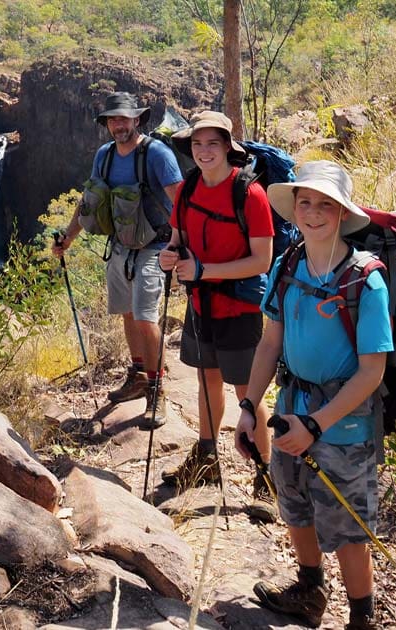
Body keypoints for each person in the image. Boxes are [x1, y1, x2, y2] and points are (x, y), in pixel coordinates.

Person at [234, 160, 391, 630]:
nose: (313, 212)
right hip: (288, 412)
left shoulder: (366, 280)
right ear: (294, 207)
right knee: (294, 501)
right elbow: (269, 343)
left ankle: (361, 617)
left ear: (342, 212)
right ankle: (309, 591)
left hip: (343, 425)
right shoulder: (288, 265)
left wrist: (316, 425)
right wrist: (248, 408)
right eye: (305, 202)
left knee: (348, 529)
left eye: (325, 204)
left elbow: (371, 372)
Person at [156, 111, 273, 503]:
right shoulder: (188, 190)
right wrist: (169, 257)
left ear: (227, 147)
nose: (204, 152)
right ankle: (207, 461)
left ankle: (265, 477)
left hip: (240, 308)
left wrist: (206, 271)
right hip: (200, 305)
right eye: (197, 144)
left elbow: (262, 260)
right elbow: (177, 239)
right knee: (206, 379)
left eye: (212, 144)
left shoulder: (249, 194)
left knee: (248, 392)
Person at [54, 92, 183, 420]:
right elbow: (89, 201)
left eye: (124, 119)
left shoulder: (156, 155)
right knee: (127, 312)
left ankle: (157, 389)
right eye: (113, 120)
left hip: (156, 246)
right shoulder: (105, 156)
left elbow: (181, 203)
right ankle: (139, 375)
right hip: (121, 246)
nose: (118, 125)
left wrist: (181, 247)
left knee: (144, 316)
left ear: (137, 119)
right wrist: (68, 237)